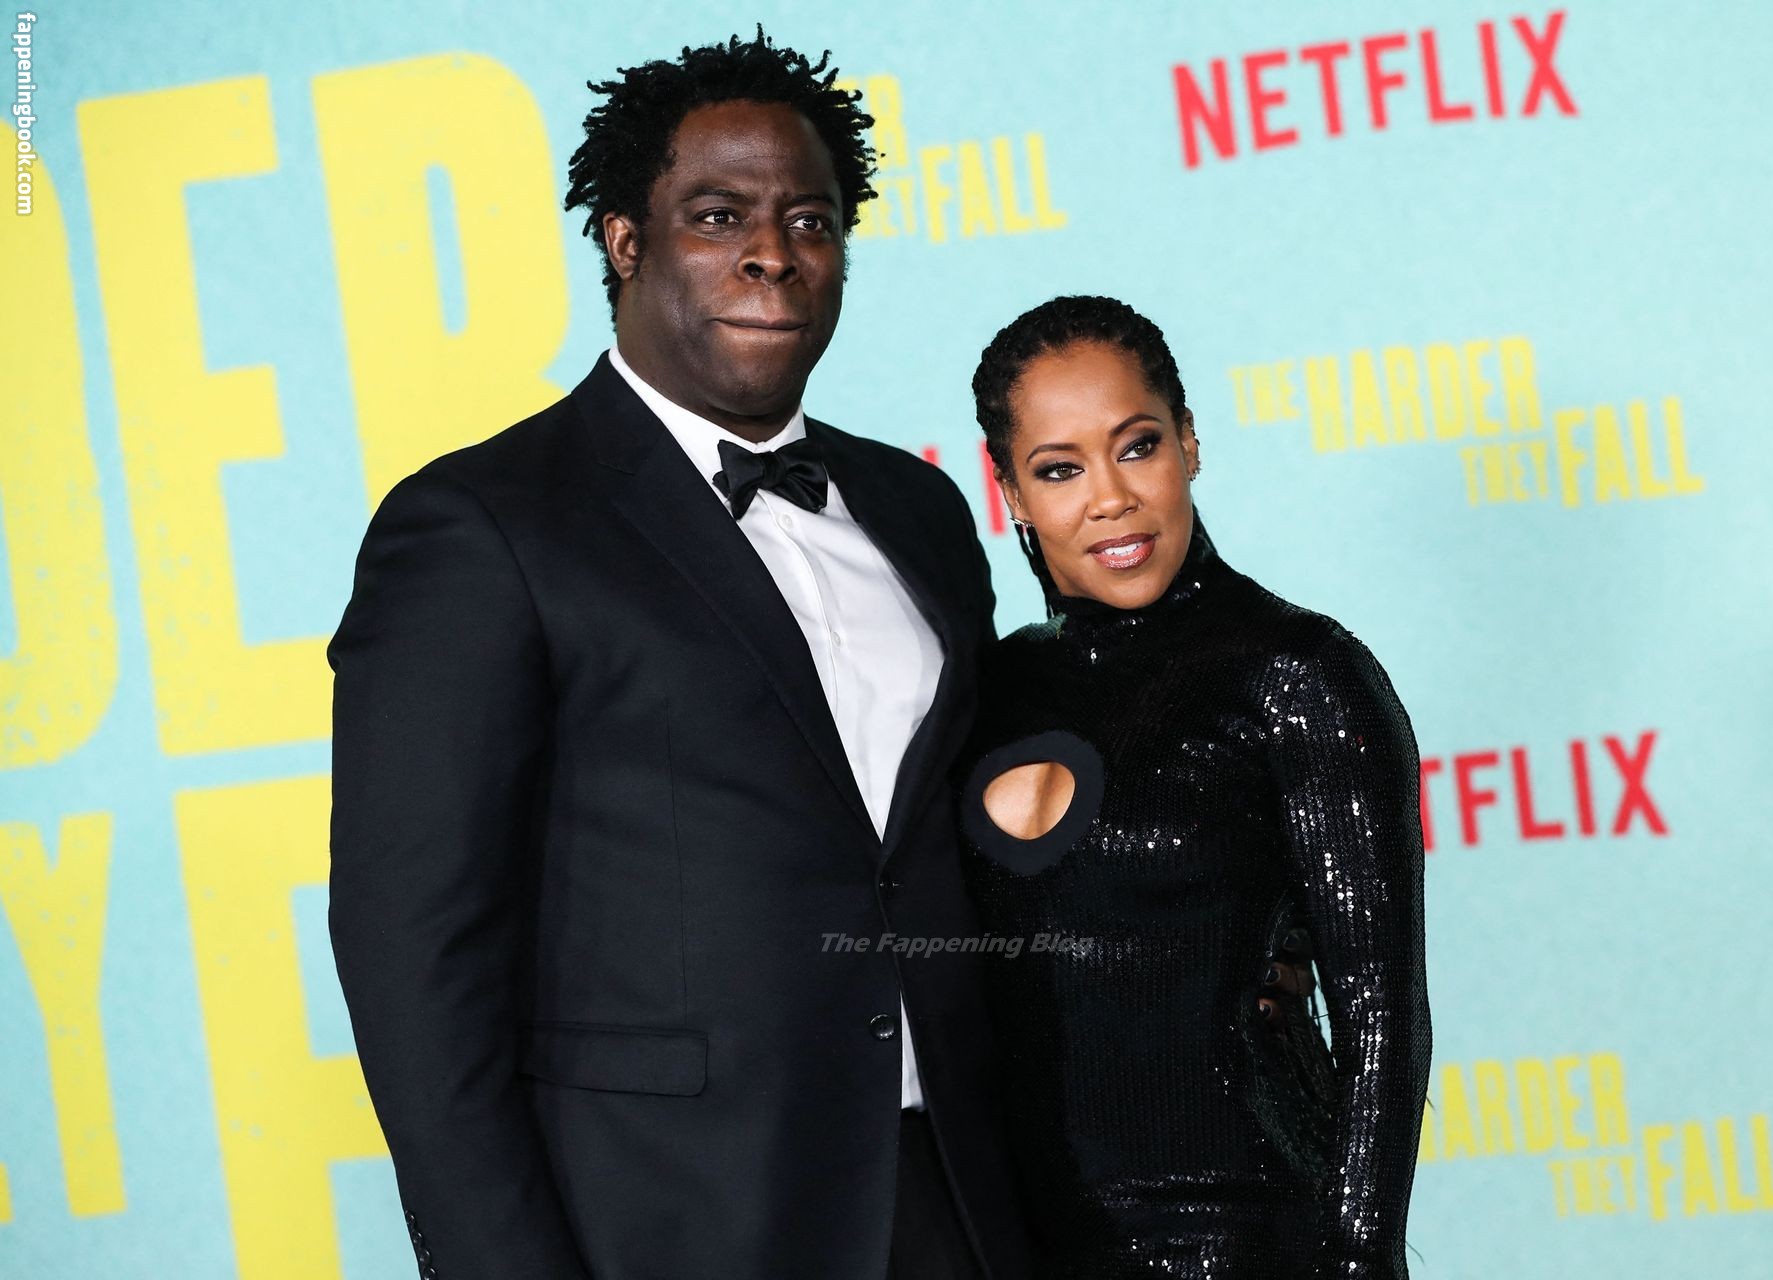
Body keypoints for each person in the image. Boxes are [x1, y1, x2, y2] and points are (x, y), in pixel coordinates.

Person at [327, 31, 1028, 1280]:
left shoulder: (917, 508)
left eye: (810, 220)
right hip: (678, 1218)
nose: (772, 253)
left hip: (961, 1196)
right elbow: (414, 956)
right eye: (718, 216)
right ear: (623, 240)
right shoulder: (483, 525)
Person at [956, 295, 1432, 1278]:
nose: (1111, 498)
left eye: (1137, 447)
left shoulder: (1298, 673)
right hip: (1020, 1248)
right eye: (1059, 468)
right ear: (1010, 492)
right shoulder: (992, 686)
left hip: (1250, 1239)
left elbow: (1382, 1015)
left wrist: (1358, 1258)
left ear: (1190, 443)